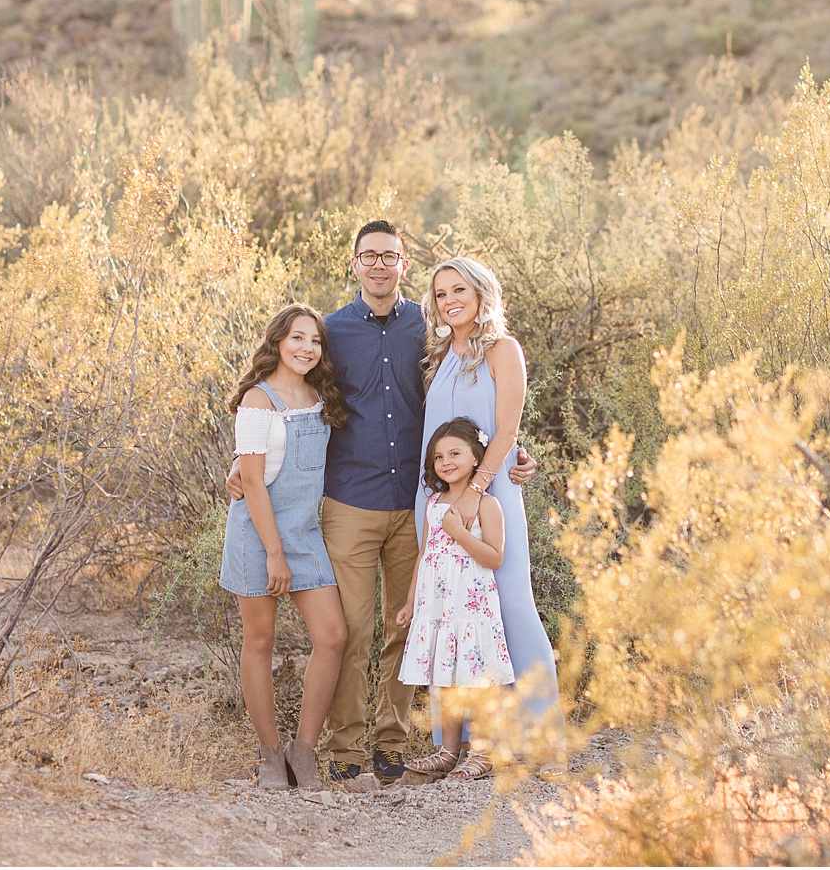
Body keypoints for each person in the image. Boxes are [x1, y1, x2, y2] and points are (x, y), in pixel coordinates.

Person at [227, 221, 536, 784]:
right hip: (350, 500)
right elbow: (290, 399)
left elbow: (472, 402)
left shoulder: (431, 326)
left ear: (404, 265)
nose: (379, 264)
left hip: (418, 502)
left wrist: (511, 452)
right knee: (349, 629)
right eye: (368, 255)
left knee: (407, 626)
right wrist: (244, 458)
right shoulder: (331, 332)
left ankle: (391, 743)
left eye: (389, 256)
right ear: (353, 264)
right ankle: (345, 750)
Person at [416, 256, 569, 780]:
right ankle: (456, 745)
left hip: (489, 494)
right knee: (447, 612)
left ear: (482, 293)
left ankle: (534, 738)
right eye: (440, 294)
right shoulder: (439, 356)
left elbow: (505, 430)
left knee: (509, 606)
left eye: (459, 290)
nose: (450, 300)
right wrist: (447, 498)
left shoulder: (504, 350)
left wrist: (477, 491)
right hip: (436, 497)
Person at [218, 303, 350, 791]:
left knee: (332, 636)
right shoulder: (258, 400)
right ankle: (270, 754)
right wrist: (274, 553)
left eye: (315, 341)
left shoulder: (319, 396)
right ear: (277, 341)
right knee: (261, 641)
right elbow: (251, 483)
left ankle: (304, 750)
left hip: (304, 535)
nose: (306, 349)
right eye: (297, 338)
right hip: (259, 535)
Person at [393, 418, 516, 781]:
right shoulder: (433, 503)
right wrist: (411, 602)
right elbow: (424, 555)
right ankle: (448, 751)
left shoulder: (487, 504)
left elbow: (495, 557)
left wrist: (460, 532)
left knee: (476, 678)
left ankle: (481, 751)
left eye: (455, 453)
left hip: (471, 605)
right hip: (438, 607)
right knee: (443, 678)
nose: (446, 462)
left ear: (476, 457)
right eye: (438, 457)